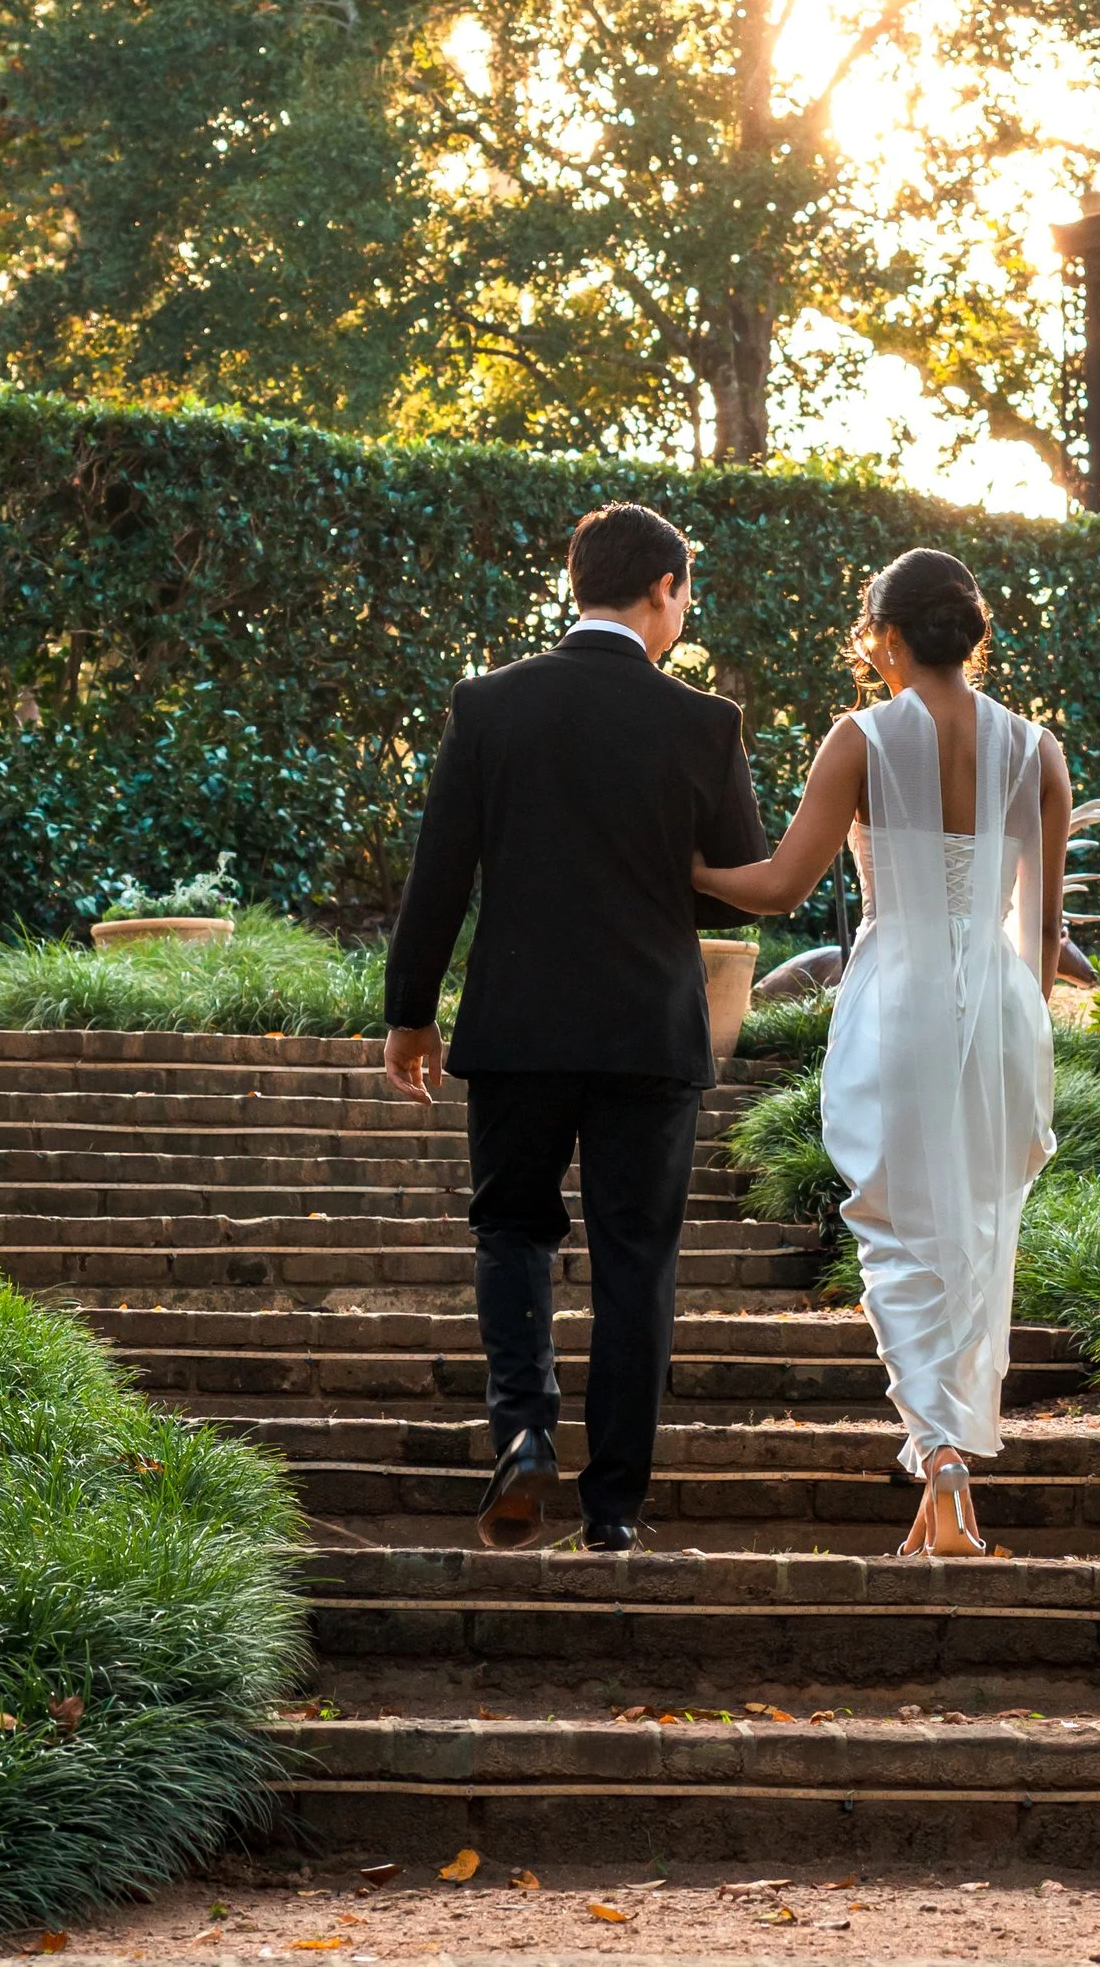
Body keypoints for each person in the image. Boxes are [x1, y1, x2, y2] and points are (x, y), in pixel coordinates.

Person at [382, 501, 766, 1554]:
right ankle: (615, 1509)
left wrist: (410, 1012)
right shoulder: (704, 723)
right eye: (685, 592)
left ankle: (522, 1430)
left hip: (518, 1023)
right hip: (649, 1030)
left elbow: (438, 873)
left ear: (576, 583)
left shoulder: (489, 704)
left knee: (512, 1228)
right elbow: (734, 886)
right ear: (664, 589)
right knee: (636, 1257)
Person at [693, 548, 1069, 1557]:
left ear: (886, 635)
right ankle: (946, 1457)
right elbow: (1041, 931)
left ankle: (939, 1453)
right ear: (973, 635)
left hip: (898, 994)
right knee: (975, 1233)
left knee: (894, 1229)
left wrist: (689, 868)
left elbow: (778, 885)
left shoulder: (860, 738)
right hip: (999, 1004)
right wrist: (1017, 1025)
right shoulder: (1038, 750)